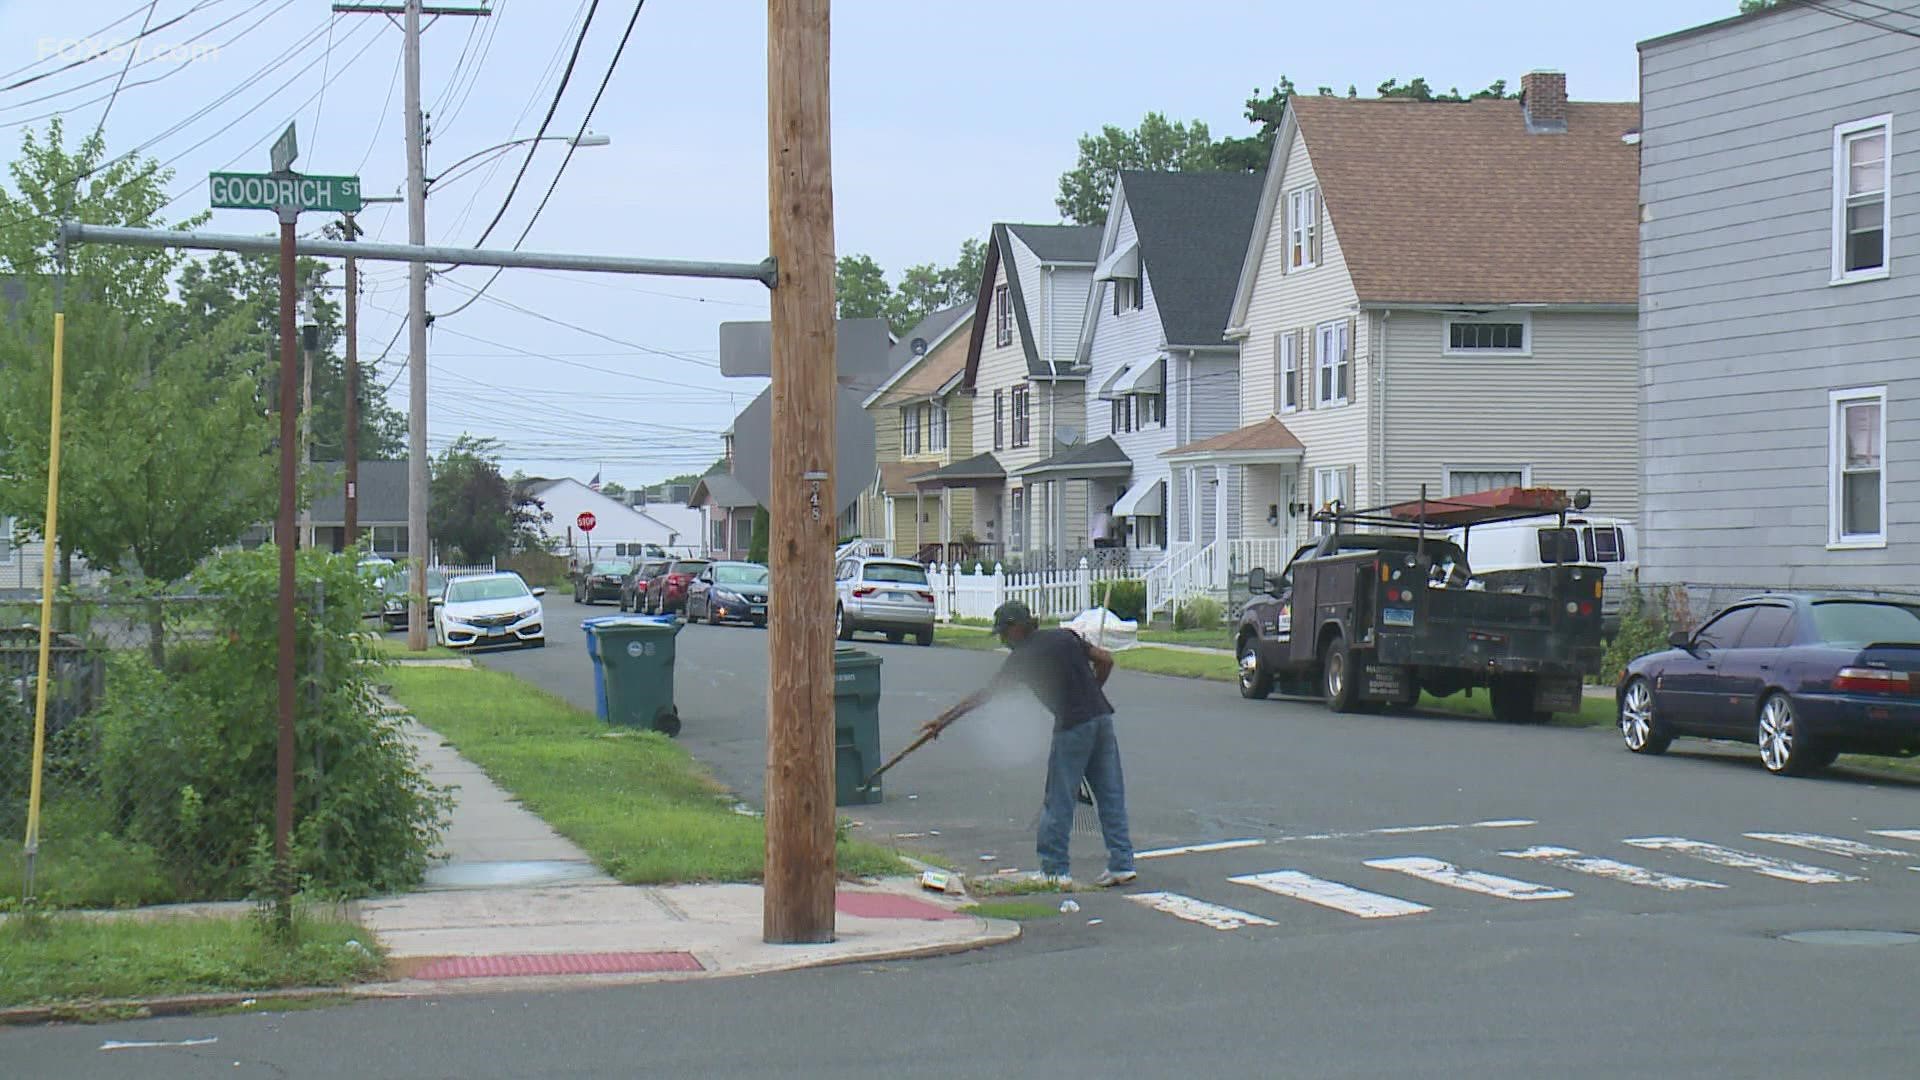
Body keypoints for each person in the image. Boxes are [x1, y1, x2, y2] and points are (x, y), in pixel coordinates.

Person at [921, 601, 1135, 888]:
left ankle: (1054, 870)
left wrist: (942, 721)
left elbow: (985, 695)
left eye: (1004, 633)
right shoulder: (1065, 636)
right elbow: (1106, 659)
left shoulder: (1022, 657)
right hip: (1101, 718)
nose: (1003, 640)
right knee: (1110, 793)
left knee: (1059, 798)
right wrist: (1094, 689)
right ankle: (1122, 864)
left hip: (1072, 726)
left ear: (1017, 628)